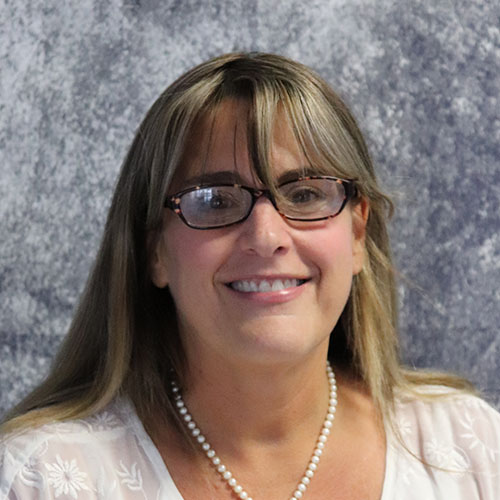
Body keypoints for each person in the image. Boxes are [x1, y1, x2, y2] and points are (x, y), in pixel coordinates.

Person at [0, 52, 499, 500]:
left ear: (356, 233)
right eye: (215, 200)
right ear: (154, 250)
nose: (266, 237)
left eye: (304, 194)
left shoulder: (473, 451)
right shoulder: (39, 480)